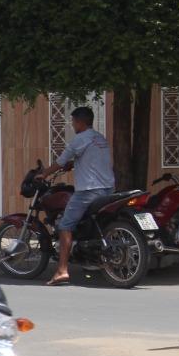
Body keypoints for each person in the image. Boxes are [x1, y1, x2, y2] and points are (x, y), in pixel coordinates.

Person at [40, 106, 114, 286]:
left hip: (89, 191)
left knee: (65, 225)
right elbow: (91, 159)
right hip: (108, 189)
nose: (72, 125)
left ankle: (62, 270)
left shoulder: (79, 140)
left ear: (80, 122)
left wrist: (44, 174)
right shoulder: (99, 138)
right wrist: (73, 164)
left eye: (73, 121)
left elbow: (59, 162)